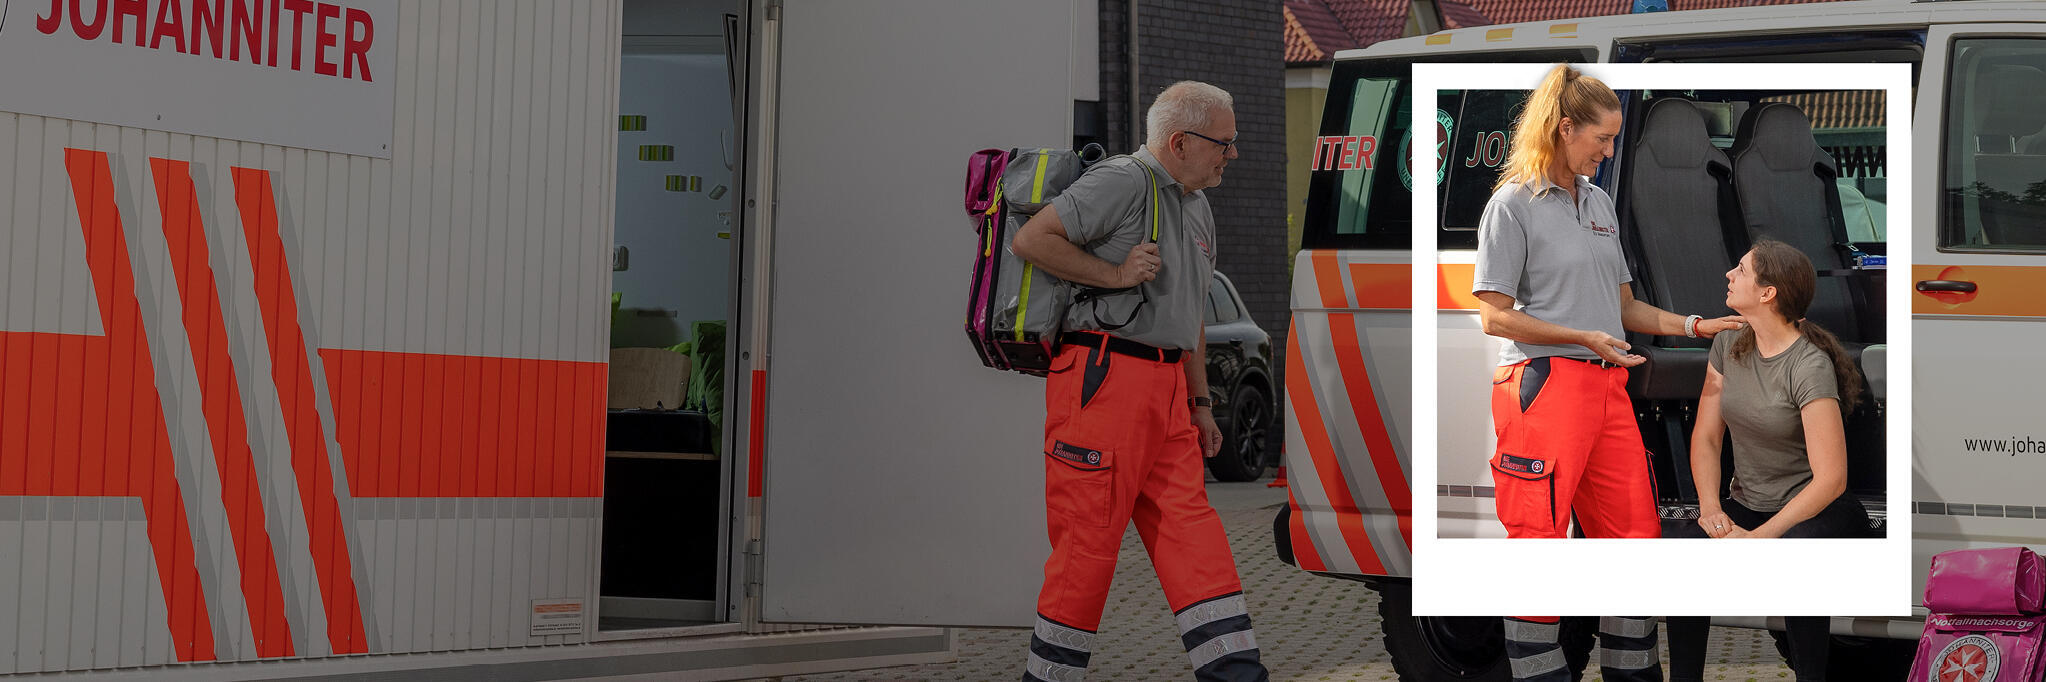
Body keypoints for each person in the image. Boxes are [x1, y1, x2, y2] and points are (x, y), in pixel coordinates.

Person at [1471, 63, 1744, 682]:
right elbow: (1493, 317)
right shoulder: (1512, 205)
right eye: (1602, 138)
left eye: (1615, 138)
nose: (1609, 150)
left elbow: (1624, 308)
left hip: (1604, 387)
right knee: (1539, 542)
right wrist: (1580, 336)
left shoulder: (1596, 203)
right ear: (1564, 128)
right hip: (1544, 385)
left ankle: (1633, 674)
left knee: (1633, 539)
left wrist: (1694, 326)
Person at [1008, 80, 1268, 682]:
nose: (1231, 154)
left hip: (1167, 391)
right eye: (1223, 143)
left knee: (1193, 539)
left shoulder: (1197, 206)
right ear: (1180, 142)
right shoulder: (1123, 180)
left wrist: (1200, 402)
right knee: (1088, 547)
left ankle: (1236, 674)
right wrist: (1117, 274)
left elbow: (1190, 312)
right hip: (1103, 381)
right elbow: (1031, 239)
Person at [1666, 240, 1872, 682]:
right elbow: (1706, 437)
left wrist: (1760, 539)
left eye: (1741, 270)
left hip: (1817, 509)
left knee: (1794, 556)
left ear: (1767, 293)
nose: (1729, 275)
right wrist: (1711, 509)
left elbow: (1831, 480)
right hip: (1750, 503)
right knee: (1685, 558)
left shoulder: (1808, 364)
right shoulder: (1727, 344)